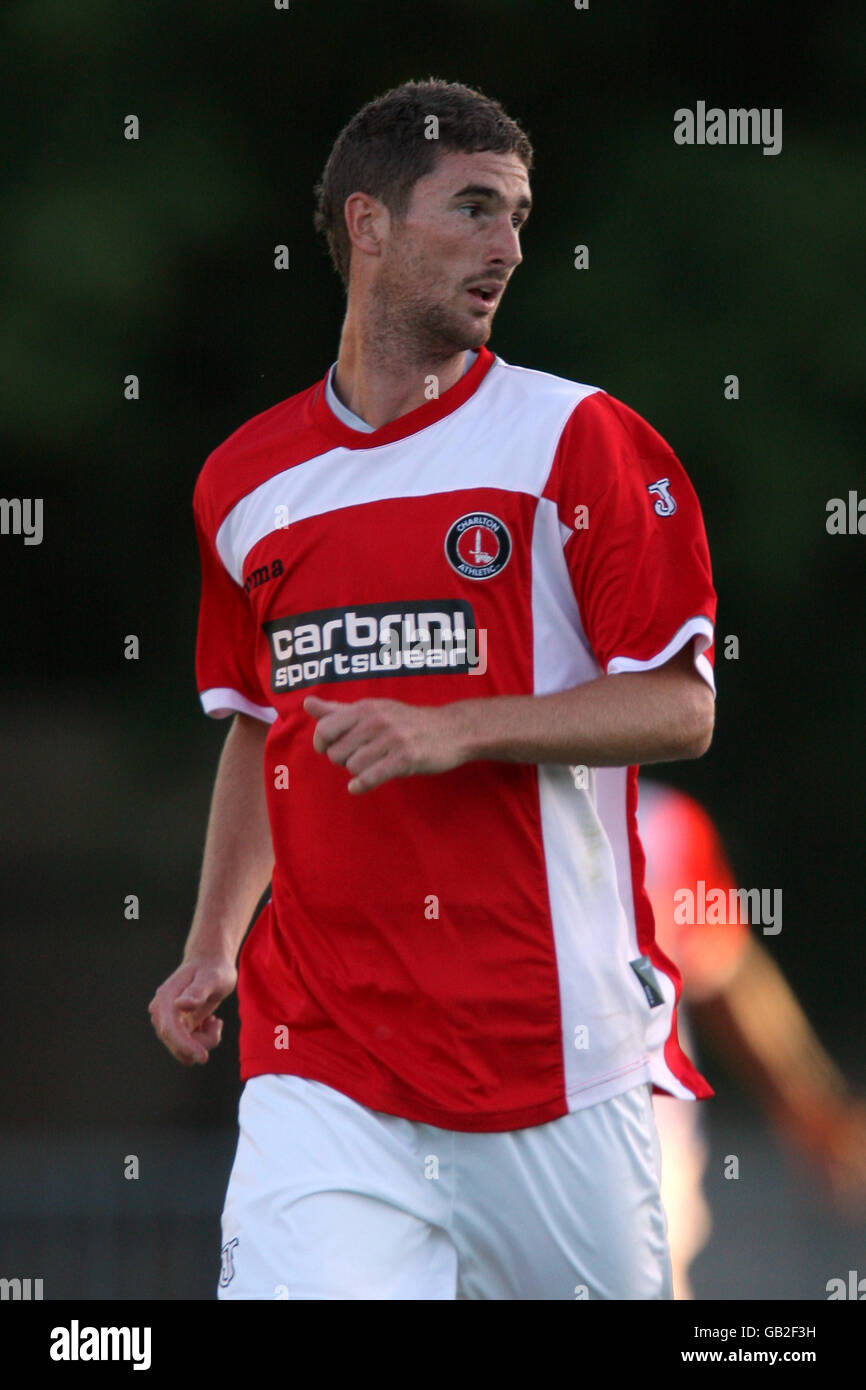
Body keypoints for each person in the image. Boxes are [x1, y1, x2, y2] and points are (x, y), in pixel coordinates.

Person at [149, 79, 718, 1301]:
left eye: (517, 214)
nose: (509, 246)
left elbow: (678, 706)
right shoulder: (244, 482)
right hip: (323, 1062)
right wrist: (211, 947)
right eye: (471, 208)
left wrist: (459, 726)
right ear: (366, 223)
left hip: (554, 1062)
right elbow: (259, 728)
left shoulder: (579, 439)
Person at [638, 778, 866, 1299]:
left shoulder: (660, 825)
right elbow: (729, 979)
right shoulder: (655, 822)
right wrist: (812, 1107)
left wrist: (812, 1107)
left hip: (633, 1175)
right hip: (631, 1175)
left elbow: (723, 971)